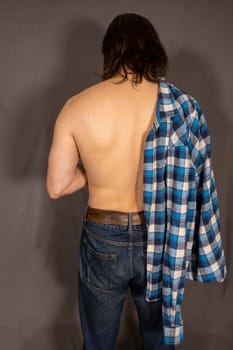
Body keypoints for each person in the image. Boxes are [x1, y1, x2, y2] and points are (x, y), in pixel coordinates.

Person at [46, 12, 227, 350]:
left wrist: (92, 171)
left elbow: (56, 186)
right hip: (162, 234)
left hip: (103, 236)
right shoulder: (183, 107)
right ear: (153, 50)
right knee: (158, 339)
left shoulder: (77, 106)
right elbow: (202, 183)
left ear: (109, 51)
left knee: (98, 343)